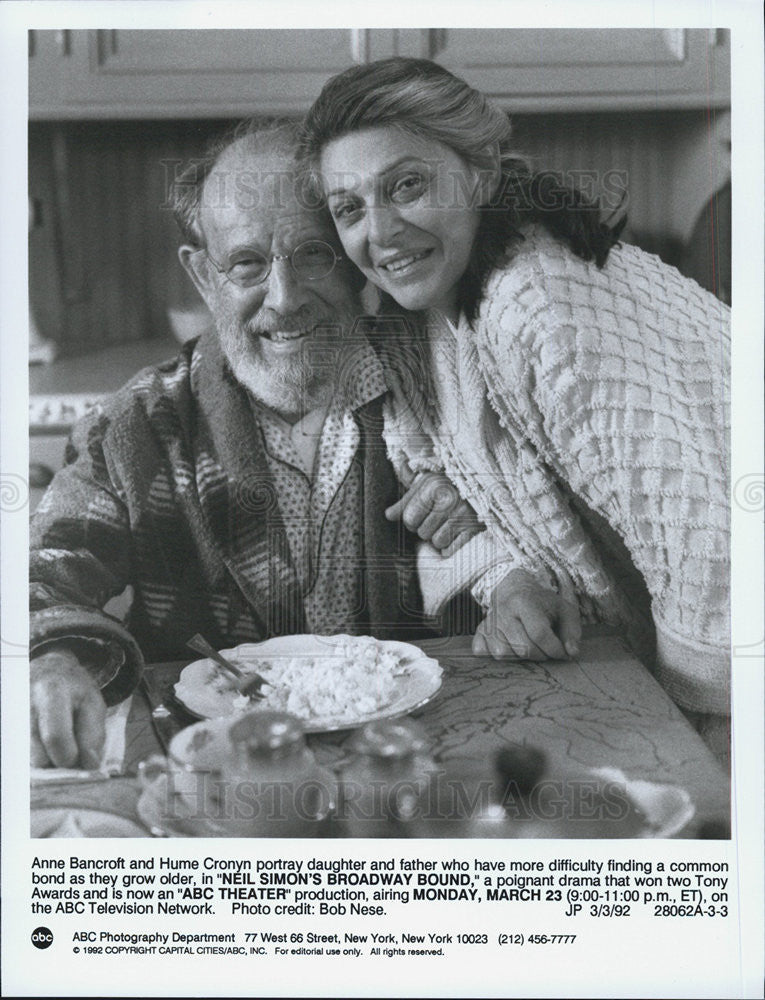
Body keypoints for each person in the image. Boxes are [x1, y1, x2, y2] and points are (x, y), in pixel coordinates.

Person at [30, 120, 579, 770]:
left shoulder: (438, 390)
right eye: (247, 263)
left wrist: (513, 589)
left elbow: (494, 551)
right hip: (217, 772)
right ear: (205, 277)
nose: (284, 299)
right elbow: (45, 573)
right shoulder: (136, 426)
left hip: (413, 759)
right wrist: (55, 657)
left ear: (355, 260)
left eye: (314, 254)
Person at [299, 58, 731, 757]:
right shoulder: (414, 325)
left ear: (480, 172)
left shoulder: (536, 301)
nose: (378, 232)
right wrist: (503, 571)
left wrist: (700, 751)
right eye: (348, 208)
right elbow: (433, 483)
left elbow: (705, 537)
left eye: (406, 185)